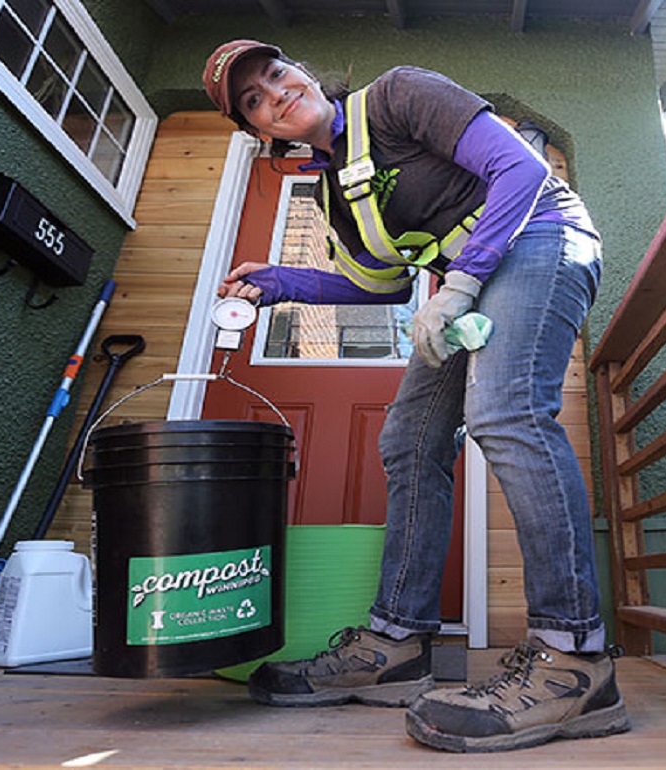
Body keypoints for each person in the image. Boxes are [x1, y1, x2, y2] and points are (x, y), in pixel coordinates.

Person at [201, 40, 629, 753]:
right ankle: (397, 646)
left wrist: (460, 283)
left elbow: (519, 169)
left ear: (304, 71)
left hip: (543, 238)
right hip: (475, 283)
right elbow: (382, 285)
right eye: (253, 100)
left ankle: (575, 662)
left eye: (276, 75)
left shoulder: (398, 96)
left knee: (507, 412)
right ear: (259, 133)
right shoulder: (334, 193)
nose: (274, 93)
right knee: (409, 441)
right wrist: (283, 282)